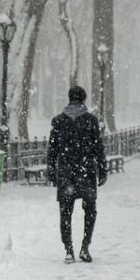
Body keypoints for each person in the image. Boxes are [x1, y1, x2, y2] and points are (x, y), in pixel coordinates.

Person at [46, 85, 107, 264]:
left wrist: (52, 170)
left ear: (69, 98)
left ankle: (68, 250)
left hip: (66, 172)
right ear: (84, 99)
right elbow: (98, 148)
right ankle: (85, 247)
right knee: (90, 210)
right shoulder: (91, 121)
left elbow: (52, 149)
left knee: (65, 212)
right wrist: (102, 170)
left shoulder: (58, 121)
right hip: (86, 171)